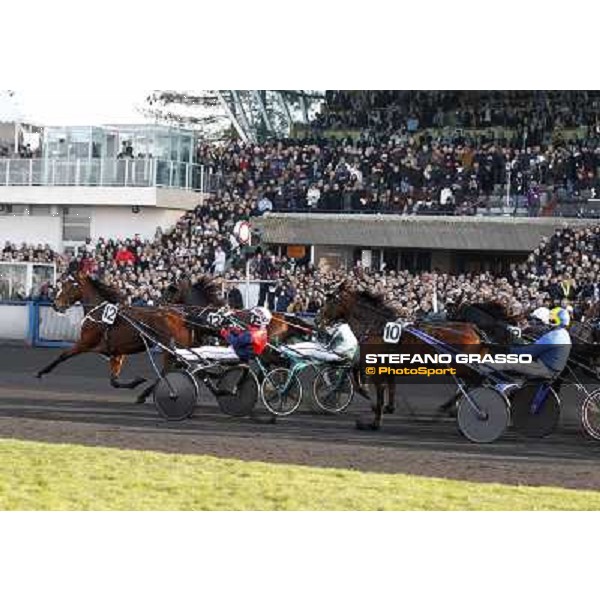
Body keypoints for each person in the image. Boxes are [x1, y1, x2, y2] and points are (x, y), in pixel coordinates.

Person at [494, 307, 572, 380]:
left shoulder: (554, 336)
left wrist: (508, 350)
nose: (549, 319)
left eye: (551, 318)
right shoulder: (563, 334)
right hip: (551, 370)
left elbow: (529, 353)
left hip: (544, 369)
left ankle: (504, 387)